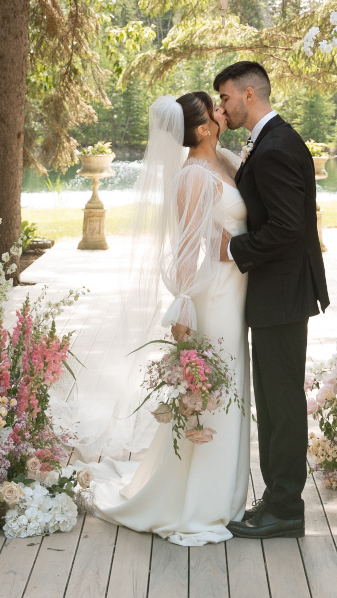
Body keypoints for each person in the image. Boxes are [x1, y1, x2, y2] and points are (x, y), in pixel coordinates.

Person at [87, 92, 251, 545]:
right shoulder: (194, 177)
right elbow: (184, 250)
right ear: (202, 129)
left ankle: (228, 498)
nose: (224, 110)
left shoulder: (226, 159)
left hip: (238, 292)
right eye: (216, 109)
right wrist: (182, 310)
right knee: (216, 393)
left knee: (235, 388)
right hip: (215, 296)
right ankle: (200, 504)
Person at [214, 59, 329, 541]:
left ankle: (285, 507)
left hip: (281, 291)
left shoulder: (277, 146)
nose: (222, 106)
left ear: (248, 95)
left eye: (225, 98)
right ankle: (278, 498)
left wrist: (235, 249)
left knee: (280, 401)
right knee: (274, 397)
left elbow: (288, 226)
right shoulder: (270, 139)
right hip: (278, 290)